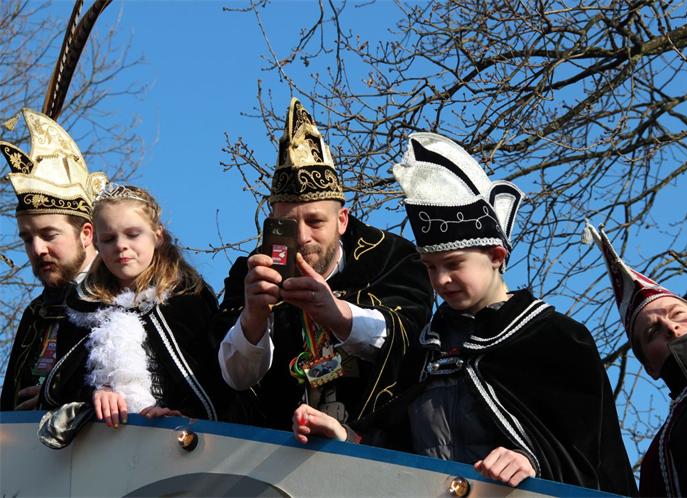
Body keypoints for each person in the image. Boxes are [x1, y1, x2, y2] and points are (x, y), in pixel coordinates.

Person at [292, 133, 637, 495]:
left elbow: (590, 457)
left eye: (454, 264)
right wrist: (346, 437)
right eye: (430, 267)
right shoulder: (426, 352)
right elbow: (400, 449)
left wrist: (531, 462)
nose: (441, 280)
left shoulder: (559, 339)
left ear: (496, 256)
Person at [216, 98, 433, 430]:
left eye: (315, 222)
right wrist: (253, 318)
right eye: (289, 223)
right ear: (273, 221)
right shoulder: (251, 275)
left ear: (342, 220)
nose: (303, 237)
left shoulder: (392, 258)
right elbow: (233, 380)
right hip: (276, 450)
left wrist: (340, 315)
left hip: (375, 448)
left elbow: (414, 341)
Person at [38, 184, 234, 427]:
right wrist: (96, 393)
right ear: (96, 244)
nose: (120, 245)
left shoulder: (188, 298)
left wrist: (180, 412)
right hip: (100, 438)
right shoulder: (81, 309)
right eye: (109, 239)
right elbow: (66, 384)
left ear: (158, 236)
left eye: (132, 234)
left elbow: (210, 375)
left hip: (174, 436)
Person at [585, 222, 687, 497]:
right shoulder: (658, 459)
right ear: (649, 368)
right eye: (653, 332)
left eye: (677, 314)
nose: (671, 327)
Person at [1, 109, 107, 411]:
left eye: (49, 235)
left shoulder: (124, 296)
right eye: (27, 238)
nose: (37, 249)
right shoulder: (36, 312)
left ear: (86, 233)